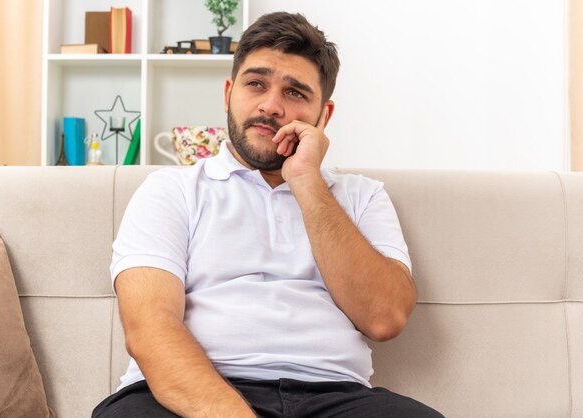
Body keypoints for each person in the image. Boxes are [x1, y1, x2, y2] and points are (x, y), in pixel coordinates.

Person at [92, 11, 443, 418]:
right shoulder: (171, 190)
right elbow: (150, 329)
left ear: (323, 117)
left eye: (295, 93)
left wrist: (306, 181)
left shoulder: (363, 197)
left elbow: (385, 318)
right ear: (229, 93)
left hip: (334, 397)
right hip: (192, 396)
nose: (271, 105)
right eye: (256, 83)